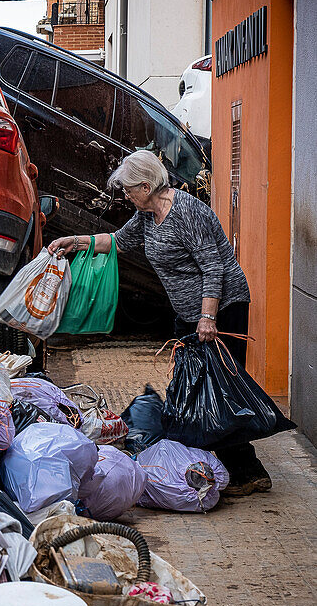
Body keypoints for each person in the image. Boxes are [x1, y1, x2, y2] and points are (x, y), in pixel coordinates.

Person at [47, 149, 268, 497]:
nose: (125, 195)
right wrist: (72, 243)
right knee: (189, 389)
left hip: (222, 308)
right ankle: (204, 464)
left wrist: (208, 316)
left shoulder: (185, 212)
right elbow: (117, 242)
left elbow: (214, 267)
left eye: (128, 189)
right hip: (188, 314)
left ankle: (248, 471)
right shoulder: (148, 215)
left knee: (220, 389)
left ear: (147, 185)